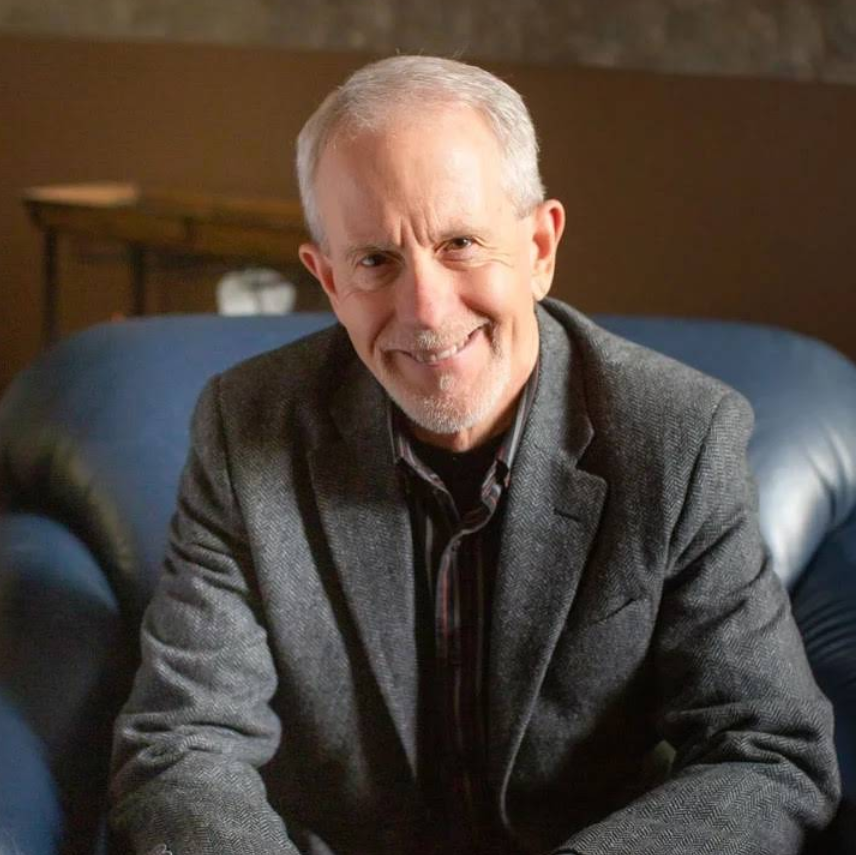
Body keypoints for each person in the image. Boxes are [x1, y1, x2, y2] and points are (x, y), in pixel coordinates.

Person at [109, 55, 840, 855]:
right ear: (327, 279)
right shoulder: (246, 427)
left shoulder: (680, 438)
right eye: (375, 261)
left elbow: (766, 749)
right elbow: (184, 742)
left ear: (539, 246)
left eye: (460, 242)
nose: (425, 309)